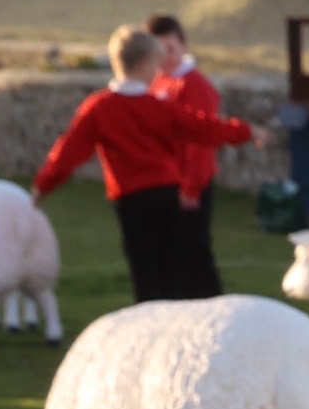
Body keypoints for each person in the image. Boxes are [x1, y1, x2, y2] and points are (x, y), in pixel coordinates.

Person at [34, 24, 237, 305]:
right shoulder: (159, 106)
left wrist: (41, 189)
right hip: (167, 193)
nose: (158, 73)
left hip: (132, 199)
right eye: (155, 65)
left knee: (145, 275)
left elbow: (67, 154)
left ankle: (151, 324)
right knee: (170, 274)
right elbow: (204, 127)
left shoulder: (99, 107)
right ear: (143, 64)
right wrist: (246, 131)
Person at [144, 15, 250, 298]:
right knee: (170, 251)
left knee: (193, 251)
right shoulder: (159, 82)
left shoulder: (195, 86)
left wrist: (190, 187)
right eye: (158, 50)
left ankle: (211, 304)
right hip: (166, 181)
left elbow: (201, 142)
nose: (165, 57)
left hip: (188, 184)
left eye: (170, 49)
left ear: (183, 45)